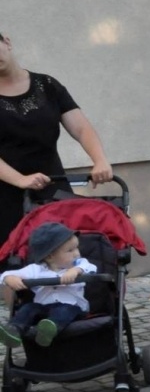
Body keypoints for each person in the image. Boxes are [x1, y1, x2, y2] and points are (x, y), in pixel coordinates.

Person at [0, 31, 115, 244]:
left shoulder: (47, 85)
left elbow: (81, 128)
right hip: (5, 196)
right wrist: (20, 180)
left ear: (7, 42)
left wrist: (100, 160)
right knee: (11, 258)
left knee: (62, 253)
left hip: (52, 188)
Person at [0, 222, 95, 347]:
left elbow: (90, 268)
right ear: (50, 256)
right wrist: (9, 278)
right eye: (70, 250)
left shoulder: (79, 264)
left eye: (77, 248)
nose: (77, 253)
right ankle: (14, 329)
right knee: (28, 308)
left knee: (64, 310)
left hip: (73, 307)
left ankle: (49, 330)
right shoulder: (36, 269)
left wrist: (76, 271)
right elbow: (5, 275)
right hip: (43, 308)